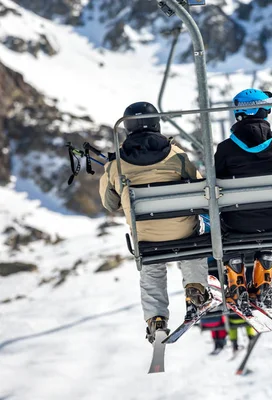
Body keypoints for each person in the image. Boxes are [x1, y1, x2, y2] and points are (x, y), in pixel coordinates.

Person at [99, 101, 212, 343]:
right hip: (182, 230)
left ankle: (156, 318)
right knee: (193, 240)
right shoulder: (177, 156)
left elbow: (110, 204)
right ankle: (196, 287)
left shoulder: (115, 164)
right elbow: (200, 187)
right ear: (157, 123)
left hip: (146, 236)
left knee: (151, 267)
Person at [214, 89, 272, 315]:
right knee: (270, 219)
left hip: (236, 222)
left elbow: (216, 188)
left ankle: (236, 283)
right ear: (264, 111)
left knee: (224, 226)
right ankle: (263, 280)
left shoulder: (225, 149)